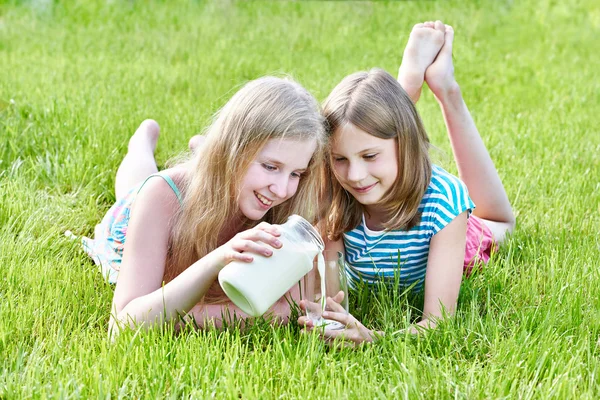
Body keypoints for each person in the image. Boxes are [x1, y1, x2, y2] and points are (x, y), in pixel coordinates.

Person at [298, 21, 515, 344]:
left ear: (406, 146)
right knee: (374, 126)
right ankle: (405, 88)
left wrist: (374, 337)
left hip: (452, 236)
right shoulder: (333, 193)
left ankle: (444, 87)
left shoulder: (443, 204)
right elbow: (329, 297)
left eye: (369, 157)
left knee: (499, 225)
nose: (354, 175)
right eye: (340, 159)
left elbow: (438, 324)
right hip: (394, 159)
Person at [71, 76, 326, 336]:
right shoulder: (161, 196)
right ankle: (142, 142)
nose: (282, 189)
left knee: (218, 181)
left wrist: (169, 315)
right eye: (271, 167)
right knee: (134, 188)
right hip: (143, 212)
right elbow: (123, 325)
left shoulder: (285, 202)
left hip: (217, 183)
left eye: (296, 173)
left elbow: (291, 309)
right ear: (231, 149)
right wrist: (217, 260)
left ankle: (201, 150)